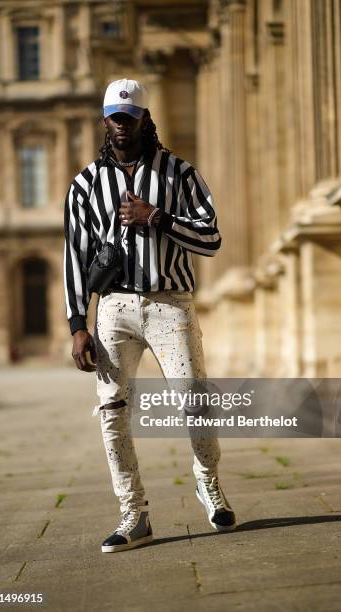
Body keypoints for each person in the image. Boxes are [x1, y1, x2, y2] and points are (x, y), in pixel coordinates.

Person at [63, 78, 236, 553]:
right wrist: (78, 324)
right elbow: (75, 256)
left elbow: (212, 238)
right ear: (105, 120)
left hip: (170, 304)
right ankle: (133, 514)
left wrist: (156, 217)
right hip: (113, 309)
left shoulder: (180, 173)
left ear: (145, 120)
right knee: (112, 411)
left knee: (193, 399)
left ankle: (208, 481)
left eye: (130, 117)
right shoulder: (84, 186)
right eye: (114, 118)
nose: (121, 126)